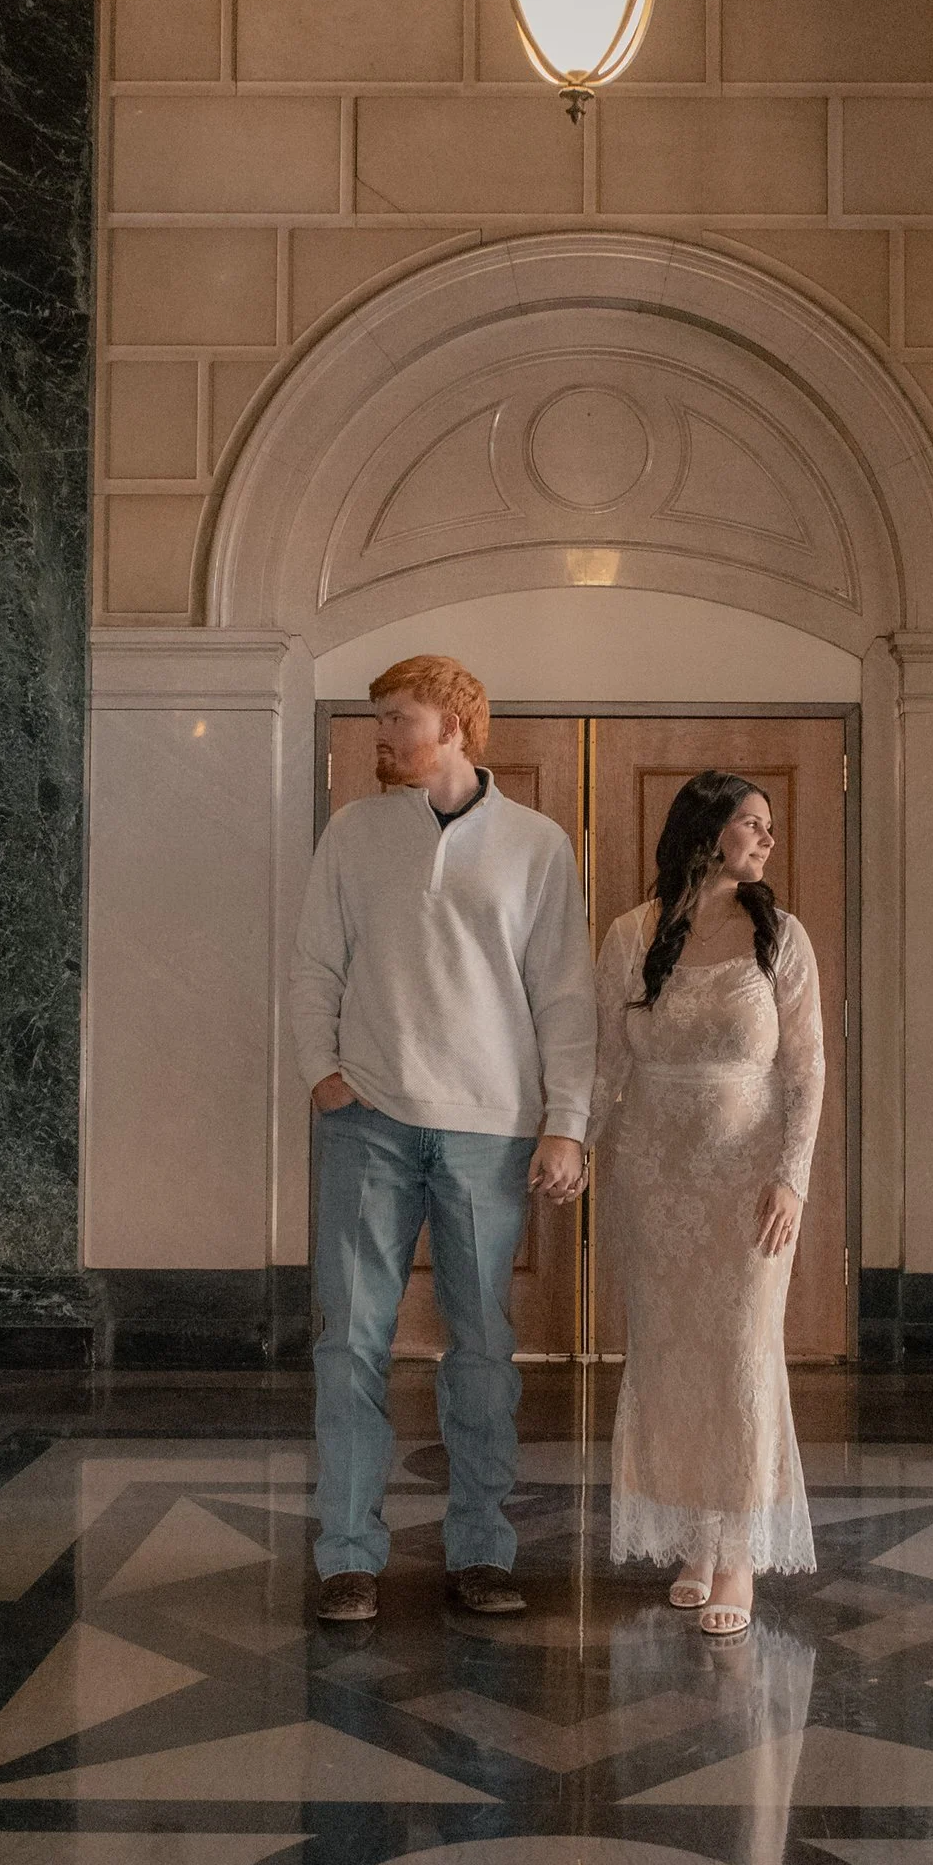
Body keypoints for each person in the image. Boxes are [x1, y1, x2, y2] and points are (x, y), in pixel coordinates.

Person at [289, 654, 594, 1627]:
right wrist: (321, 1074)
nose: (380, 735)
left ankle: (481, 1552)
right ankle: (346, 1555)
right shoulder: (354, 832)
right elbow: (313, 965)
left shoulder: (537, 846)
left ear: (455, 723)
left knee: (482, 1351)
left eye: (396, 717)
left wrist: (567, 1123)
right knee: (350, 1346)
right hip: (368, 1122)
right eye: (377, 717)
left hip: (489, 1134)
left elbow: (564, 996)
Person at [591, 772, 824, 1639]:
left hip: (747, 1186)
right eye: (752, 826)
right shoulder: (631, 934)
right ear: (705, 833)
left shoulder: (782, 938)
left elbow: (805, 1069)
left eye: (768, 827)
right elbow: (606, 1061)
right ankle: (696, 1538)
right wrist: (573, 1142)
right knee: (669, 1353)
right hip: (653, 1178)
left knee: (737, 1354)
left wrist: (792, 1177)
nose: (766, 840)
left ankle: (740, 1558)